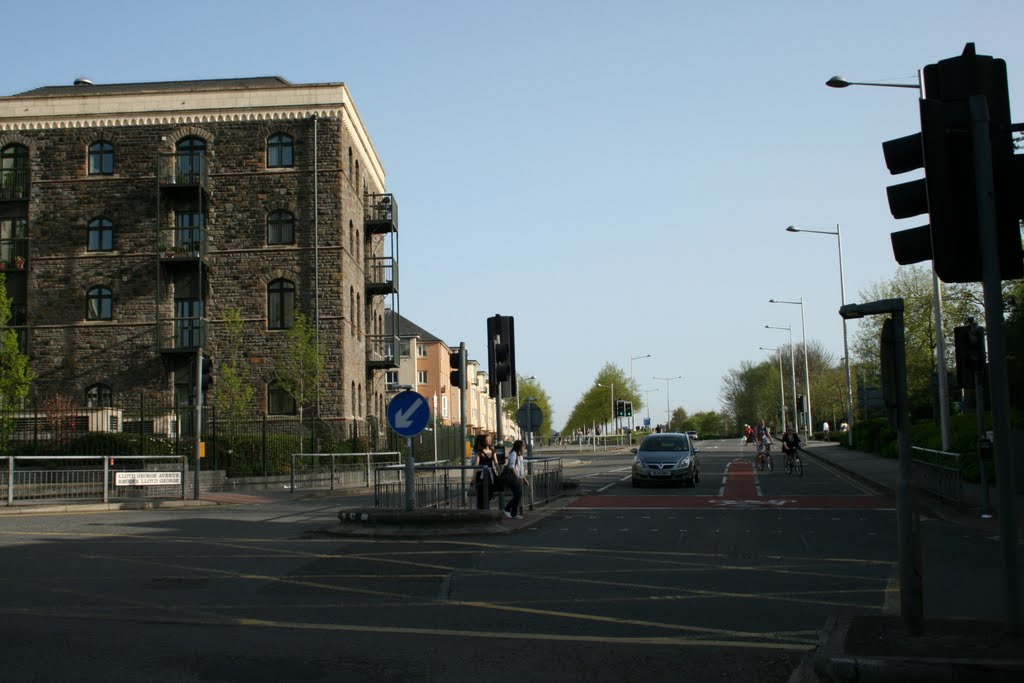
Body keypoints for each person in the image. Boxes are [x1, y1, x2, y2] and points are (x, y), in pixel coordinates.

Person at [503, 440, 527, 519]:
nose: (524, 447)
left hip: (518, 478)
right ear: (519, 447)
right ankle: (507, 509)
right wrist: (517, 477)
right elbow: (511, 466)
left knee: (518, 495)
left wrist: (524, 478)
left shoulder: (520, 455)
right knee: (518, 494)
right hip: (513, 478)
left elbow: (521, 469)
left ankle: (513, 513)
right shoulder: (514, 454)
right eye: (523, 446)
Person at [471, 433, 496, 510]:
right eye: (487, 439)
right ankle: (482, 511)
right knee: (481, 495)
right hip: (481, 476)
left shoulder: (492, 451)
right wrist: (474, 478)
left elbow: (496, 463)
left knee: (487, 495)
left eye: (490, 439)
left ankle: (484, 510)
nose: (489, 441)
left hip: (488, 476)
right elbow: (475, 466)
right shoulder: (478, 452)